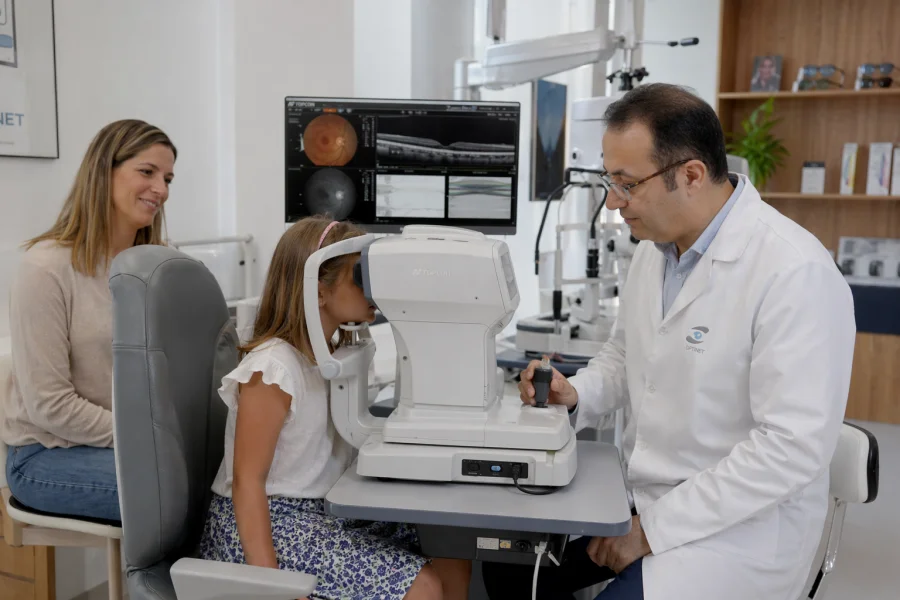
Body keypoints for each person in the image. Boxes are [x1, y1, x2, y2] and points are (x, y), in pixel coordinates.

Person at [482, 83, 855, 600]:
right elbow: (625, 354)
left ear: (692, 175)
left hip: (738, 531)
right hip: (641, 496)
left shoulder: (795, 272)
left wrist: (651, 532)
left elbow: (789, 450)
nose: (613, 203)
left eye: (627, 184)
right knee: (507, 566)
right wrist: (578, 393)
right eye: (609, 181)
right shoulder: (655, 249)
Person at [199, 216, 472, 600]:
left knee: (451, 545)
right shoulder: (273, 368)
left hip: (325, 509)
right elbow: (247, 483)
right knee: (422, 586)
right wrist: (273, 588)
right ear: (319, 291)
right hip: (269, 522)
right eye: (360, 277)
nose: (373, 289)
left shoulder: (335, 356)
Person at [2, 119, 177, 522]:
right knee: (182, 497)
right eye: (147, 172)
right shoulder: (45, 269)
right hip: (48, 454)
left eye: (167, 179)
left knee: (231, 485)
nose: (162, 190)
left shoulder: (160, 266)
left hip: (136, 440)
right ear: (103, 171)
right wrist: (150, 438)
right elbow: (50, 406)